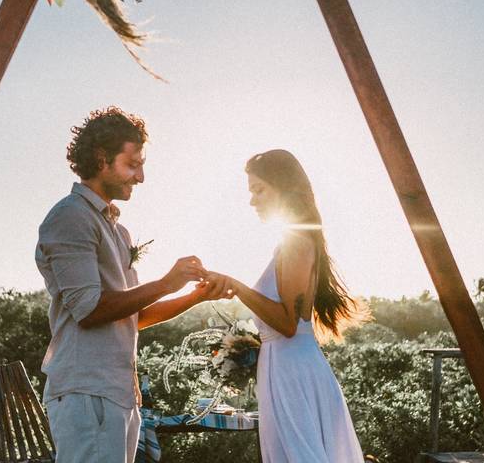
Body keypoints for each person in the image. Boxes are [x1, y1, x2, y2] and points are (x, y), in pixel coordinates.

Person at [35, 107, 232, 463]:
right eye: (132, 164)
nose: (140, 176)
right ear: (101, 160)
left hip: (118, 391)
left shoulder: (117, 229)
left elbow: (133, 316)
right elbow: (89, 309)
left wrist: (194, 296)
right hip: (85, 390)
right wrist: (166, 283)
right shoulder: (70, 217)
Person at [207, 149, 366, 462]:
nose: (252, 200)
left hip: (292, 368)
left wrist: (236, 286)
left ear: (282, 188)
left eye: (258, 190)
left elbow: (288, 323)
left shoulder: (295, 240)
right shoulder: (291, 241)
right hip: (283, 363)